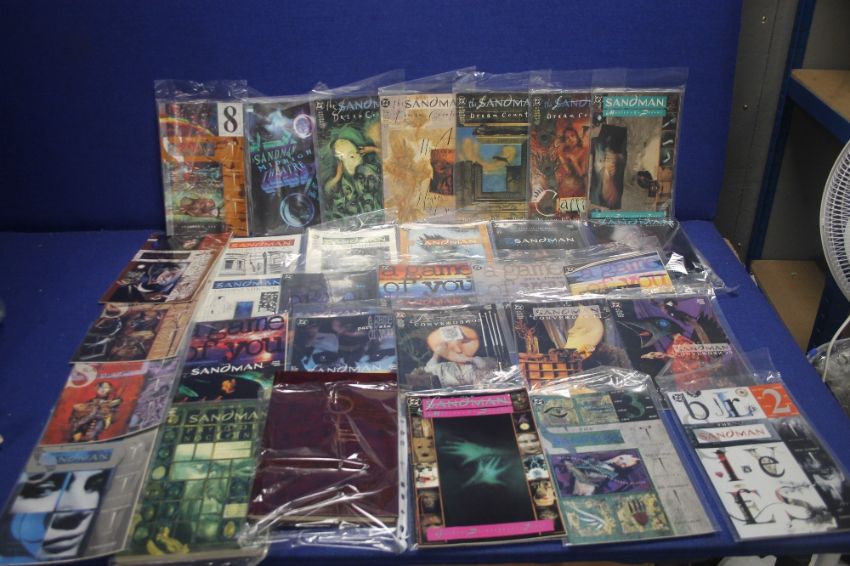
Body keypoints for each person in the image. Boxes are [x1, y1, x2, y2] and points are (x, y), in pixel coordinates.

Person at [423, 325, 495, 387]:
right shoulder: (435, 371)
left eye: (463, 342)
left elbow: (489, 369)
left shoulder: (483, 362)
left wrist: (471, 359)